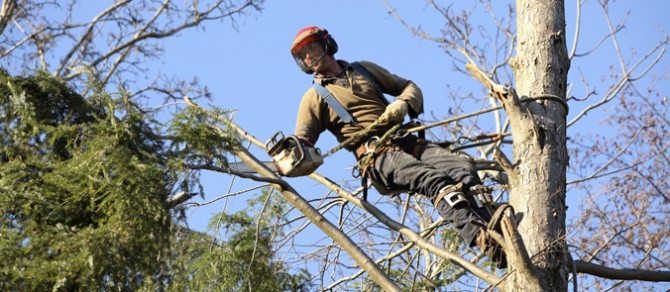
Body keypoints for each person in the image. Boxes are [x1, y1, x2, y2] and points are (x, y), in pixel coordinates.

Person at [289, 26, 507, 268]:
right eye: (302, 55)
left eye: (310, 48)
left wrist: (403, 103)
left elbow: (409, 86)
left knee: (461, 168)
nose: (308, 57)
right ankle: (479, 236)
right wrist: (289, 157)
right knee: (433, 179)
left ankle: (498, 234)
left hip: (407, 141)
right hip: (376, 157)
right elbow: (303, 139)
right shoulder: (315, 97)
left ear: (326, 44)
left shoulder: (362, 69)